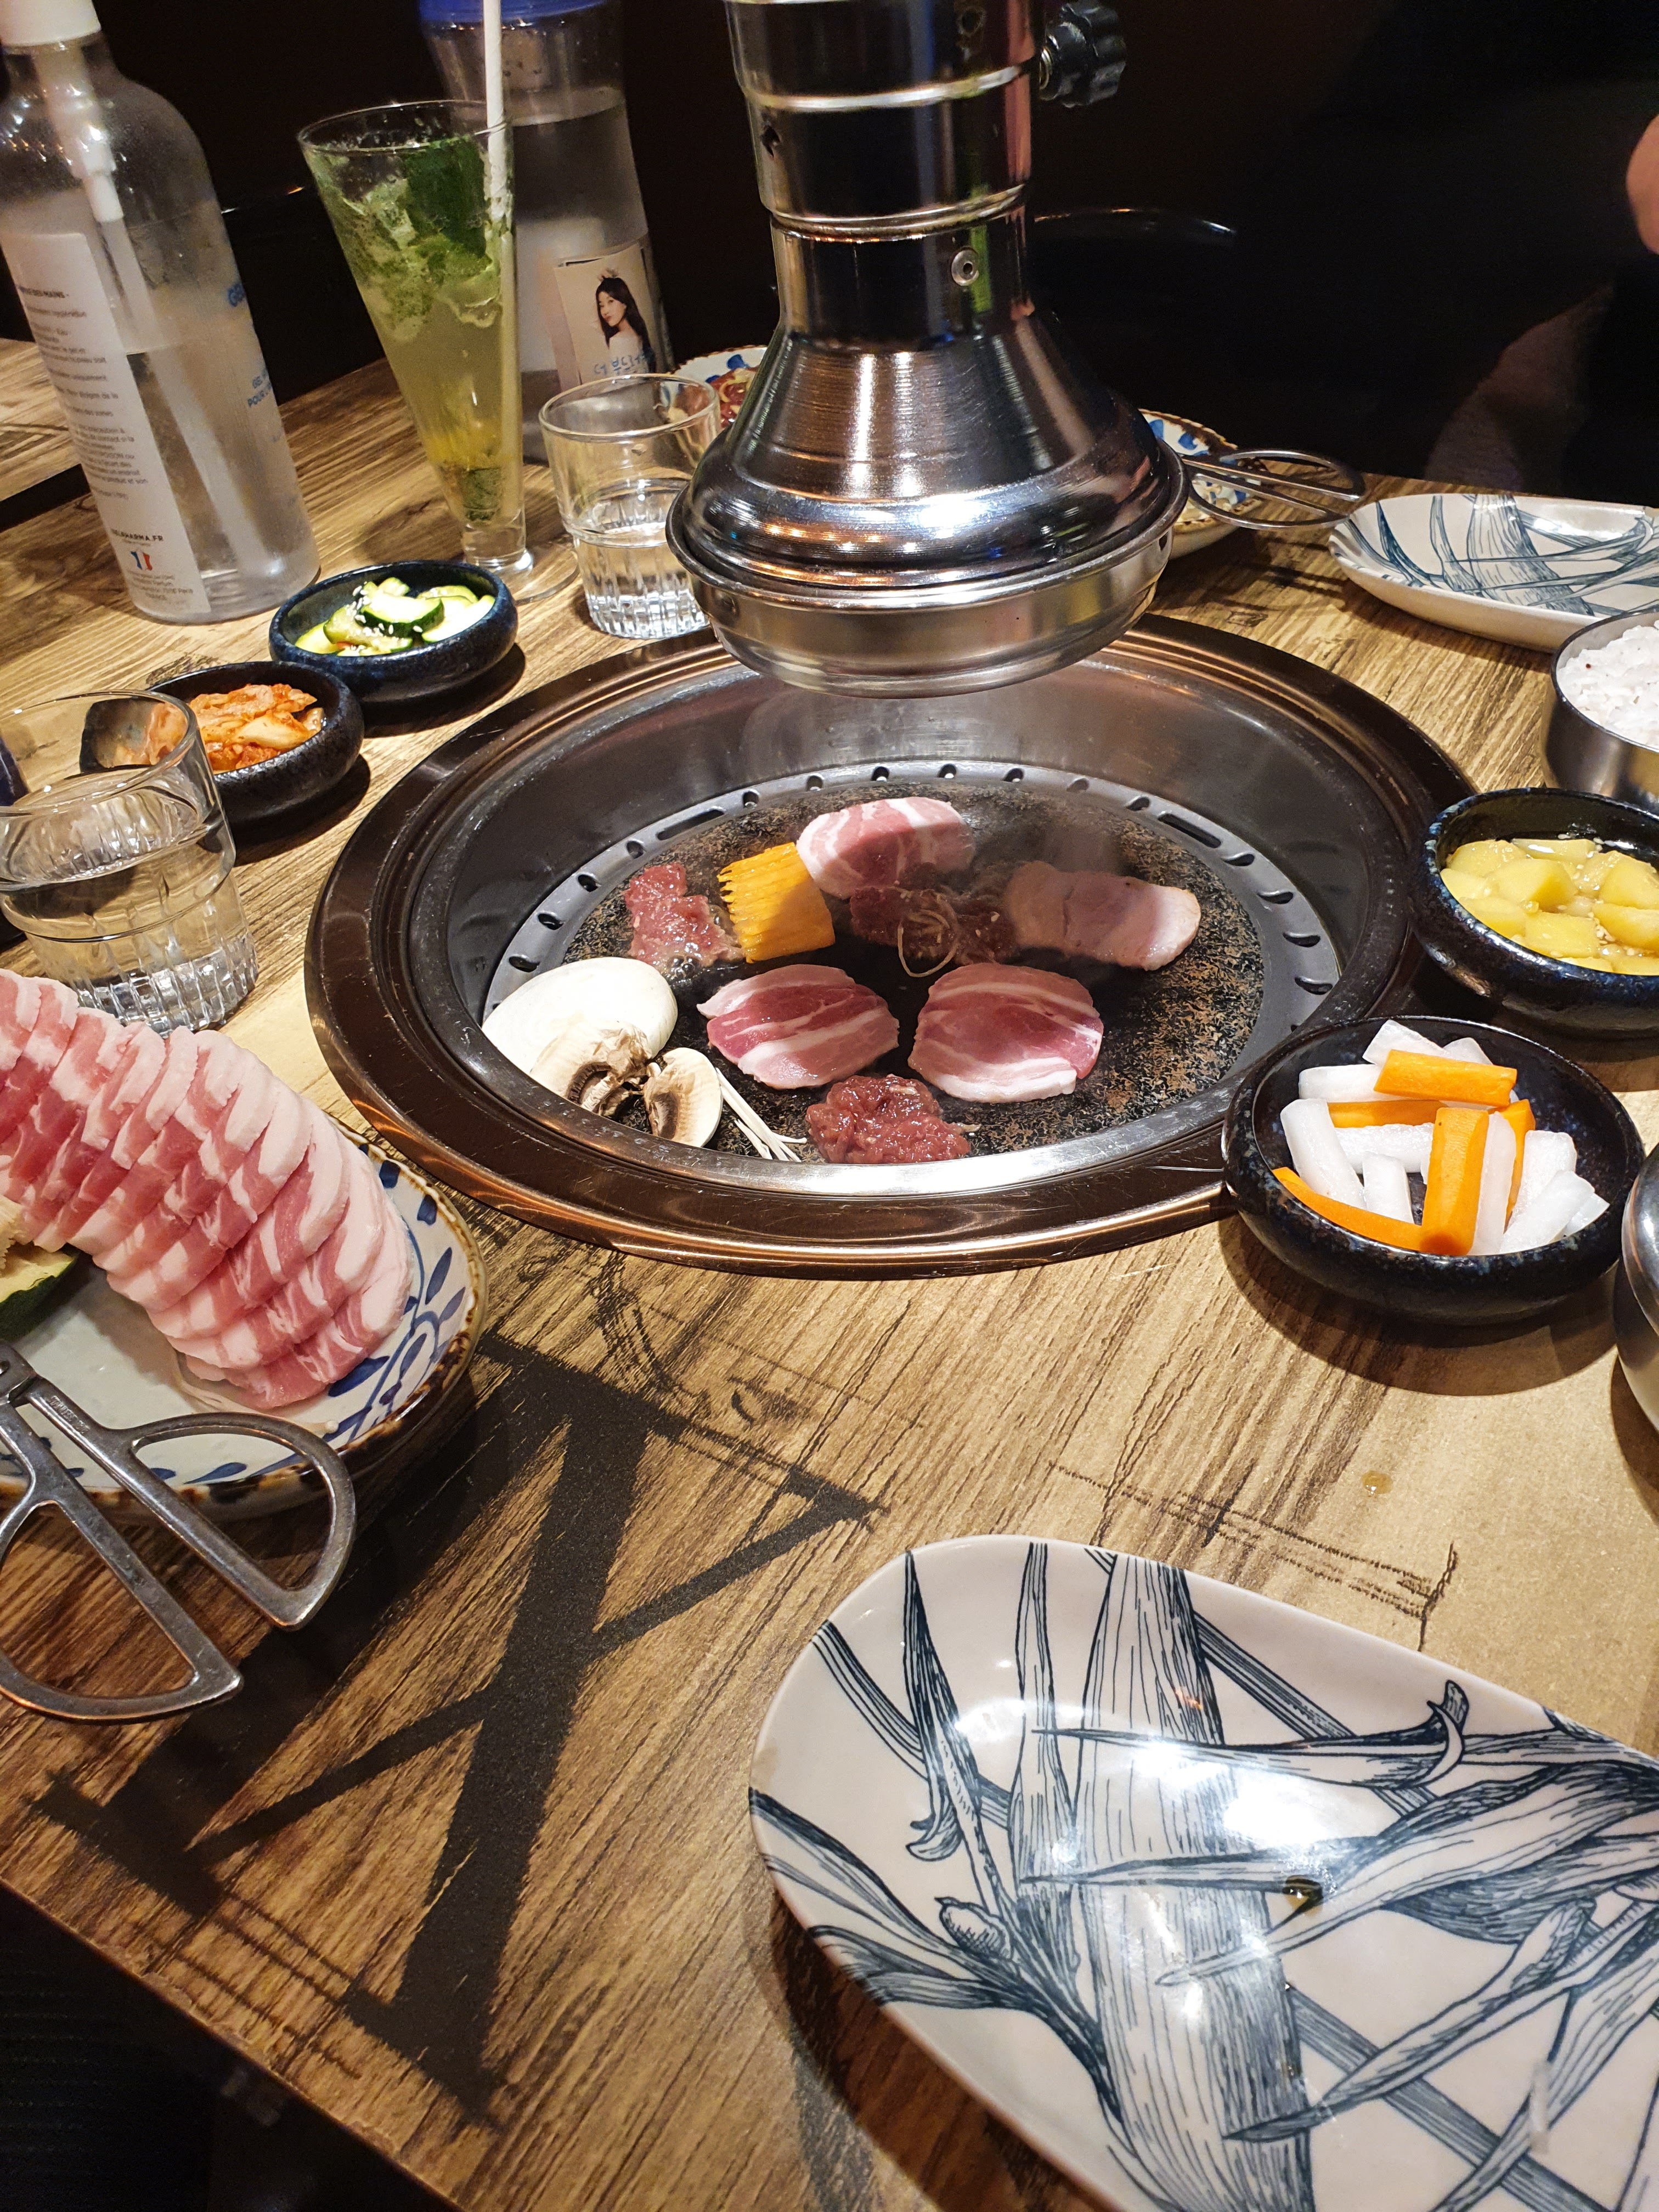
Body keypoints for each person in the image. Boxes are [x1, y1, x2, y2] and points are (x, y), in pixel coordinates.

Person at [595, 273, 656, 372]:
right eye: (602, 306)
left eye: (611, 302)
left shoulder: (617, 341)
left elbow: (618, 381)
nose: (605, 311)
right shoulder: (638, 334)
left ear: (624, 303)